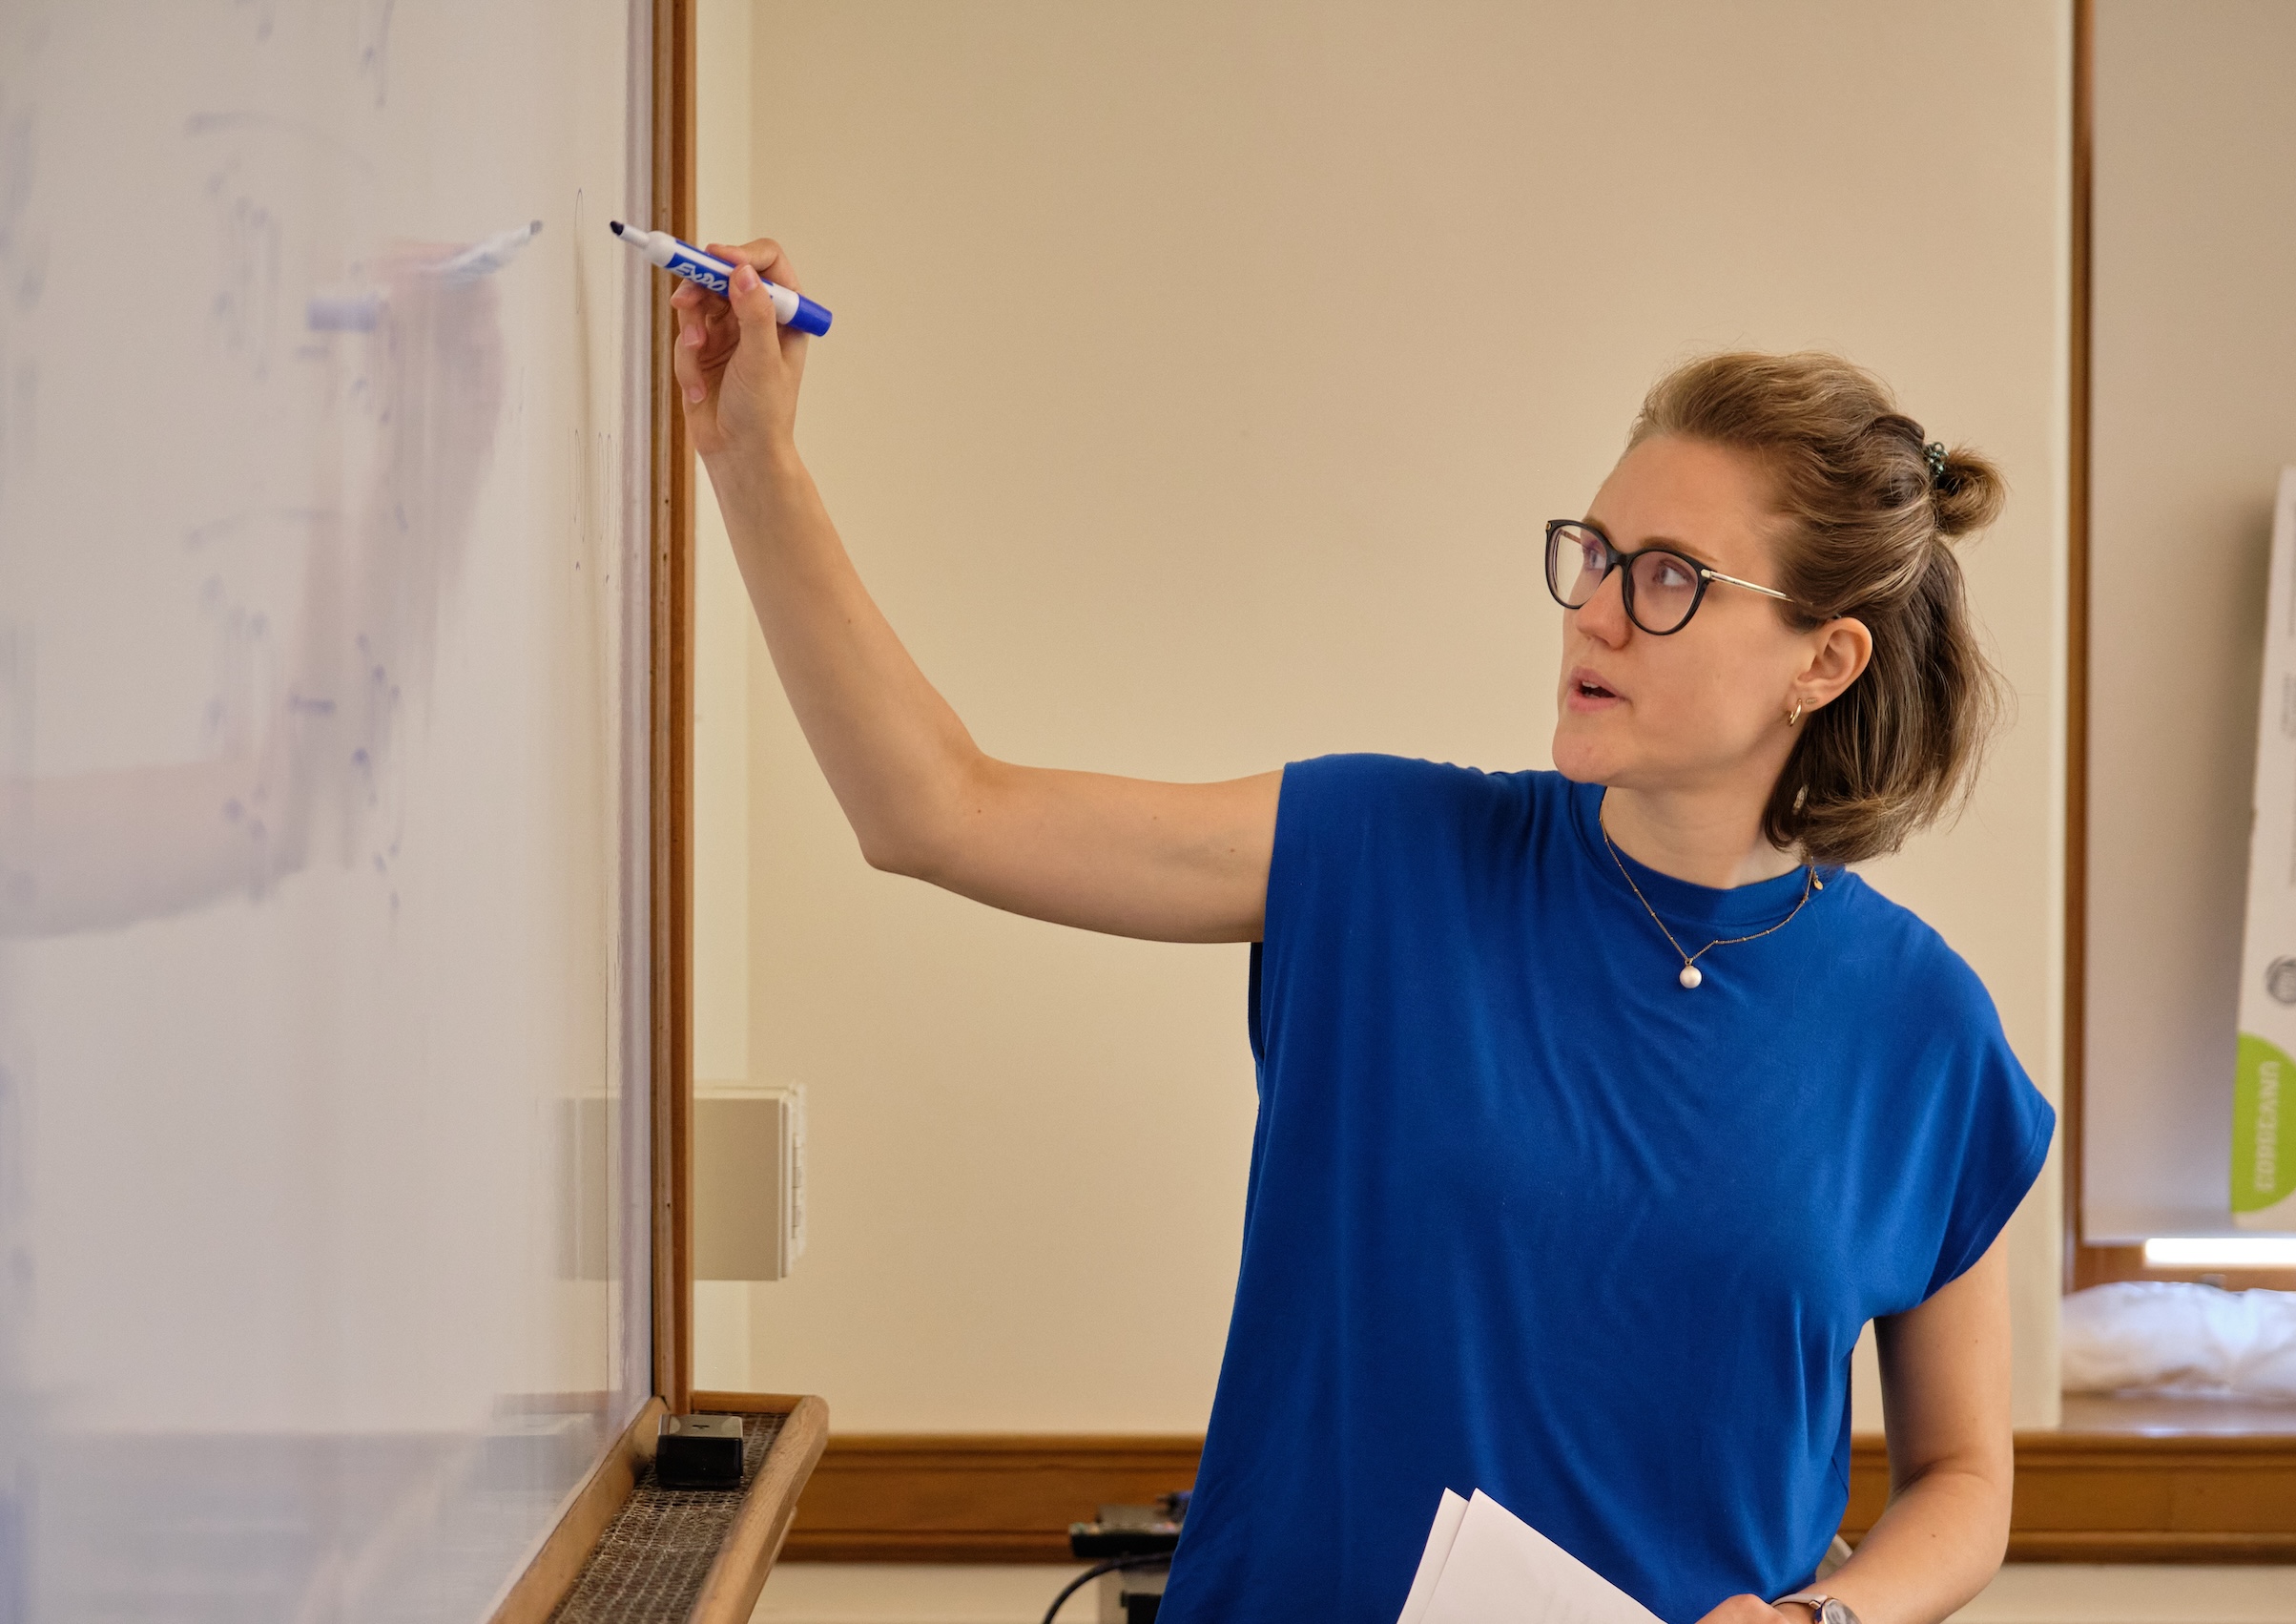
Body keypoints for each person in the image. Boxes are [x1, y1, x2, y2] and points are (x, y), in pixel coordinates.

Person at [671, 244, 2054, 1624]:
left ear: (1823, 659)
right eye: (1596, 555)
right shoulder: (1380, 853)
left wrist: (1829, 1618)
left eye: (1670, 578)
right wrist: (753, 463)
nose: (1594, 609)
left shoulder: (1920, 1026)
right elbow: (938, 810)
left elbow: (1960, 1475)